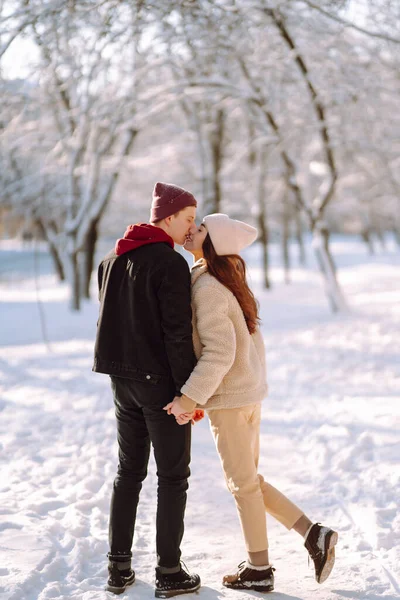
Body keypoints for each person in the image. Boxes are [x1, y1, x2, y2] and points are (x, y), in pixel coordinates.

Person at [165, 214, 338, 592]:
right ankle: (313, 534)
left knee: (241, 484)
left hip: (230, 399)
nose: (192, 229)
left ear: (214, 242)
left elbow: (220, 352)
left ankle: (259, 569)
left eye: (202, 227)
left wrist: (189, 398)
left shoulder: (207, 286)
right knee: (249, 481)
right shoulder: (225, 280)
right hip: (245, 395)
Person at [93, 182, 201, 597]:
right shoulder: (169, 264)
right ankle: (169, 572)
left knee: (129, 472)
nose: (191, 228)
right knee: (173, 476)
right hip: (162, 387)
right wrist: (188, 392)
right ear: (167, 217)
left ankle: (118, 568)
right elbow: (176, 334)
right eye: (188, 218)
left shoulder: (112, 259)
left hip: (122, 383)